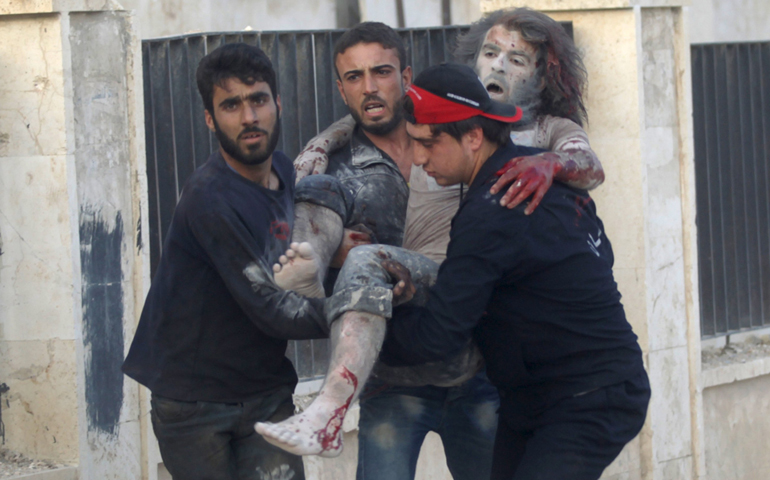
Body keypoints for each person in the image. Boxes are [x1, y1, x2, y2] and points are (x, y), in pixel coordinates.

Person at [260, 10, 607, 477]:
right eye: (490, 53)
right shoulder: (432, 119)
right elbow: (371, 119)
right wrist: (325, 142)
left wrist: (549, 164)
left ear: (545, 74)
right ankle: (325, 369)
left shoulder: (541, 130)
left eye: (517, 60)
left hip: (478, 354)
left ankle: (327, 400)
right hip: (404, 357)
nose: (499, 67)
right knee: (352, 243)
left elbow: (587, 163)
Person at [122, 43, 332, 480]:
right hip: (195, 403)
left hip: (266, 387)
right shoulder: (210, 200)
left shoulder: (284, 172)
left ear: (277, 103)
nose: (249, 117)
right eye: (231, 105)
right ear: (210, 119)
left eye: (257, 99)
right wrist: (360, 309)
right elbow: (272, 309)